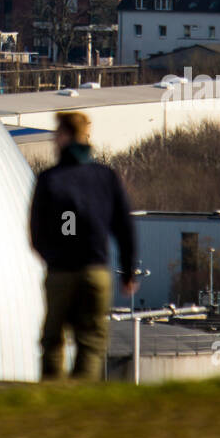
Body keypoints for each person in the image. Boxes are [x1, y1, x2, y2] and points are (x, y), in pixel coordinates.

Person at [29, 109, 136, 381]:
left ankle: (52, 398)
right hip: (95, 272)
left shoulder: (49, 179)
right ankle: (81, 399)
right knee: (90, 342)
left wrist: (53, 257)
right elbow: (124, 227)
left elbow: (37, 232)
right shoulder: (105, 177)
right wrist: (129, 271)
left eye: (57, 135)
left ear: (65, 136)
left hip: (61, 272)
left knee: (53, 339)